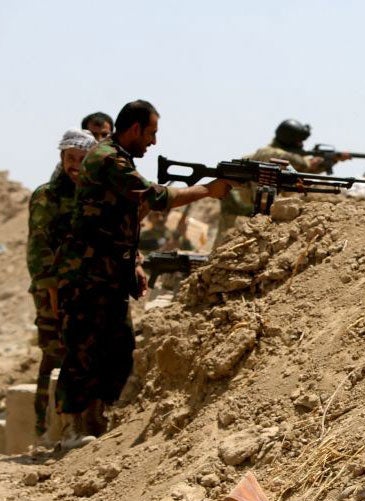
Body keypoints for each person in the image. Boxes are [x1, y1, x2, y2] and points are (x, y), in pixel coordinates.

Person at [53, 100, 233, 448]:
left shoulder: (116, 158)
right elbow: (154, 194)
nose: (152, 142)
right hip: (87, 273)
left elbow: (127, 214)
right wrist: (208, 190)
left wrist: (133, 260)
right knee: (83, 348)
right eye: (150, 132)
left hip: (108, 272)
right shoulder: (109, 158)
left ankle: (96, 423)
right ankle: (71, 430)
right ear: (134, 128)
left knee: (118, 348)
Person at [27, 129, 97, 440]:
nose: (76, 165)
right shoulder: (47, 196)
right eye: (71, 159)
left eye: (83, 160)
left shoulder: (95, 193)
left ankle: (82, 425)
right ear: (62, 158)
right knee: (56, 353)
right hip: (53, 290)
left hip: (87, 288)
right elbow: (38, 248)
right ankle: (53, 429)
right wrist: (53, 291)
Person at [215, 119, 351, 244]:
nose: (302, 145)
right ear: (289, 140)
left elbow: (301, 173)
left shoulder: (278, 154)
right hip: (236, 198)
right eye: (299, 141)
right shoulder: (270, 153)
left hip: (252, 198)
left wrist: (331, 160)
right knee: (226, 239)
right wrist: (323, 160)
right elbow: (304, 164)